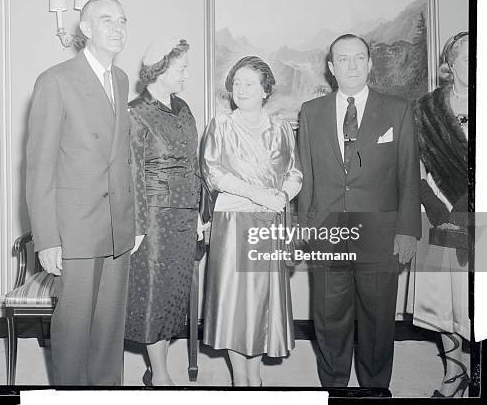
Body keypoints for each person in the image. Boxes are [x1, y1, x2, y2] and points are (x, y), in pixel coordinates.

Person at [26, 0, 144, 386]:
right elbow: (40, 168)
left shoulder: (122, 78)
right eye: (107, 20)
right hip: (75, 229)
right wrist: (47, 239)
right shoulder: (55, 80)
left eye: (123, 20)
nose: (118, 28)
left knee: (109, 331)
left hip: (117, 227)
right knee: (73, 331)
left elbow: (124, 156)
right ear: (87, 29)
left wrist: (135, 221)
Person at [297, 34, 421, 390]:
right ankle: (334, 387)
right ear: (332, 68)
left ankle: (375, 388)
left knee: (378, 321)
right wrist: (305, 230)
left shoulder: (398, 109)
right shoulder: (311, 112)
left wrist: (407, 230)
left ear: (369, 64)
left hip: (381, 233)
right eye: (343, 60)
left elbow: (408, 173)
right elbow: (306, 176)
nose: (351, 65)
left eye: (358, 58)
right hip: (327, 231)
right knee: (328, 318)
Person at [201, 56, 302, 387]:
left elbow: (295, 173)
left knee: (260, 302)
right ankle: (238, 381)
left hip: (270, 221)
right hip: (232, 222)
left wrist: (283, 197)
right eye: (236, 83)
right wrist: (261, 195)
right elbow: (213, 172)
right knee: (234, 302)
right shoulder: (221, 125)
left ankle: (253, 378)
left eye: (249, 84)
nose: (240, 89)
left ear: (265, 90)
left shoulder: (281, 128)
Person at [124, 38, 205, 386]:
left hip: (186, 218)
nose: (187, 74)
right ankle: (160, 375)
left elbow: (193, 164)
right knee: (155, 295)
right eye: (182, 68)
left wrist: (200, 213)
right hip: (154, 219)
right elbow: (132, 174)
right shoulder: (135, 113)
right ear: (159, 71)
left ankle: (157, 364)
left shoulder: (183, 107)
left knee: (174, 295)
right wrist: (138, 226)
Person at [410, 32, 470, 397]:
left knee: (476, 299)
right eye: (466, 57)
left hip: (481, 214)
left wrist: (466, 205)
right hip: (440, 213)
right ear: (450, 63)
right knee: (444, 302)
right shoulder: (425, 109)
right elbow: (412, 167)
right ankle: (454, 372)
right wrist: (437, 210)